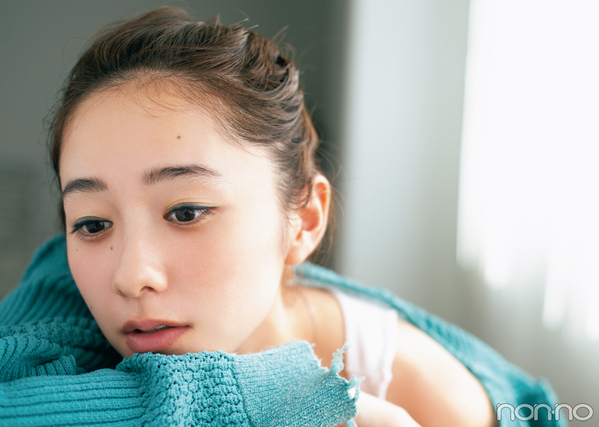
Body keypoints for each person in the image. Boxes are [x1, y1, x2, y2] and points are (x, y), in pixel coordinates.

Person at [0, 7, 562, 427]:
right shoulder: (67, 282)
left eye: (186, 211)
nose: (130, 275)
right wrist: (273, 399)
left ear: (305, 218)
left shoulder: (425, 396)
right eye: (93, 223)